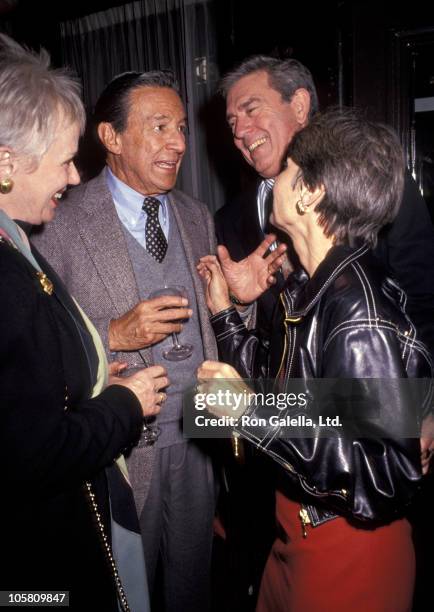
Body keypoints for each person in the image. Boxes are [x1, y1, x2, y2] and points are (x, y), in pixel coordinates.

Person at [197, 108, 433, 612]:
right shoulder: (316, 286)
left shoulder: (355, 306)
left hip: (350, 555)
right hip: (297, 535)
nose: (275, 176)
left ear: (308, 193)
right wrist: (224, 313)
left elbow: (385, 471)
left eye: (287, 169)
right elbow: (289, 397)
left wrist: (250, 414)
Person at [33, 70, 218, 612]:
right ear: (110, 138)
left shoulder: (196, 215)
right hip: (116, 454)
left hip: (199, 445)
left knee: (192, 591)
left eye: (181, 128)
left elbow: (214, 323)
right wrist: (113, 334)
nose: (180, 143)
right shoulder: (56, 223)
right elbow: (37, 347)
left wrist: (242, 298)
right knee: (122, 594)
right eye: (160, 126)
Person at [0, 35, 169, 611]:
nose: (72, 177)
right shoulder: (38, 236)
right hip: (40, 561)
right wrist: (120, 401)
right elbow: (29, 450)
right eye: (64, 161)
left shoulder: (16, 237)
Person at [216, 55, 434, 352]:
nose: (239, 132)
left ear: (299, 106)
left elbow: (423, 301)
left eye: (251, 110)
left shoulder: (373, 178)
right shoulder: (227, 219)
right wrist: (238, 303)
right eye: (232, 122)